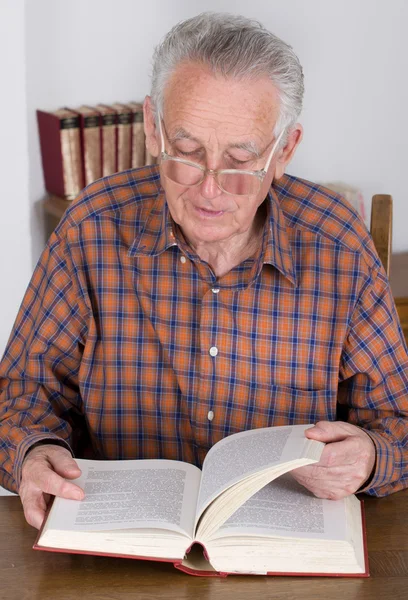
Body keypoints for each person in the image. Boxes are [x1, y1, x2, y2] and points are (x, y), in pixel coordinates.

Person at [1, 12, 407, 530]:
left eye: (240, 161)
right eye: (188, 153)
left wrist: (370, 456)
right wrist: (33, 454)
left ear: (284, 150)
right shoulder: (92, 230)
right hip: (119, 553)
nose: (210, 189)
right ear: (153, 128)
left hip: (284, 560)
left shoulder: (339, 247)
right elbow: (21, 394)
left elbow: (399, 425)